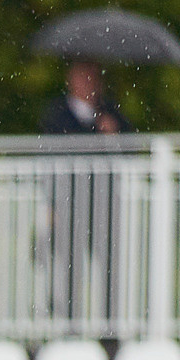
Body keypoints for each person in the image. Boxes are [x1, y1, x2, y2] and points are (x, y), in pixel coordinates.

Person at [39, 61, 128, 327]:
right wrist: (52, 203)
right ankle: (70, 327)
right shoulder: (55, 115)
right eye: (83, 78)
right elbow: (48, 160)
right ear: (70, 81)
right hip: (69, 204)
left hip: (104, 204)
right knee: (70, 267)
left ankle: (109, 328)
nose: (89, 84)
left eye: (92, 78)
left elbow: (132, 148)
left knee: (109, 267)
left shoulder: (110, 112)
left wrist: (113, 134)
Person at [40, 60, 129, 136]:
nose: (89, 82)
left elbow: (128, 137)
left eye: (94, 76)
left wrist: (113, 132)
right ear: (71, 80)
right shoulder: (57, 112)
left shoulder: (110, 109)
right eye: (83, 77)